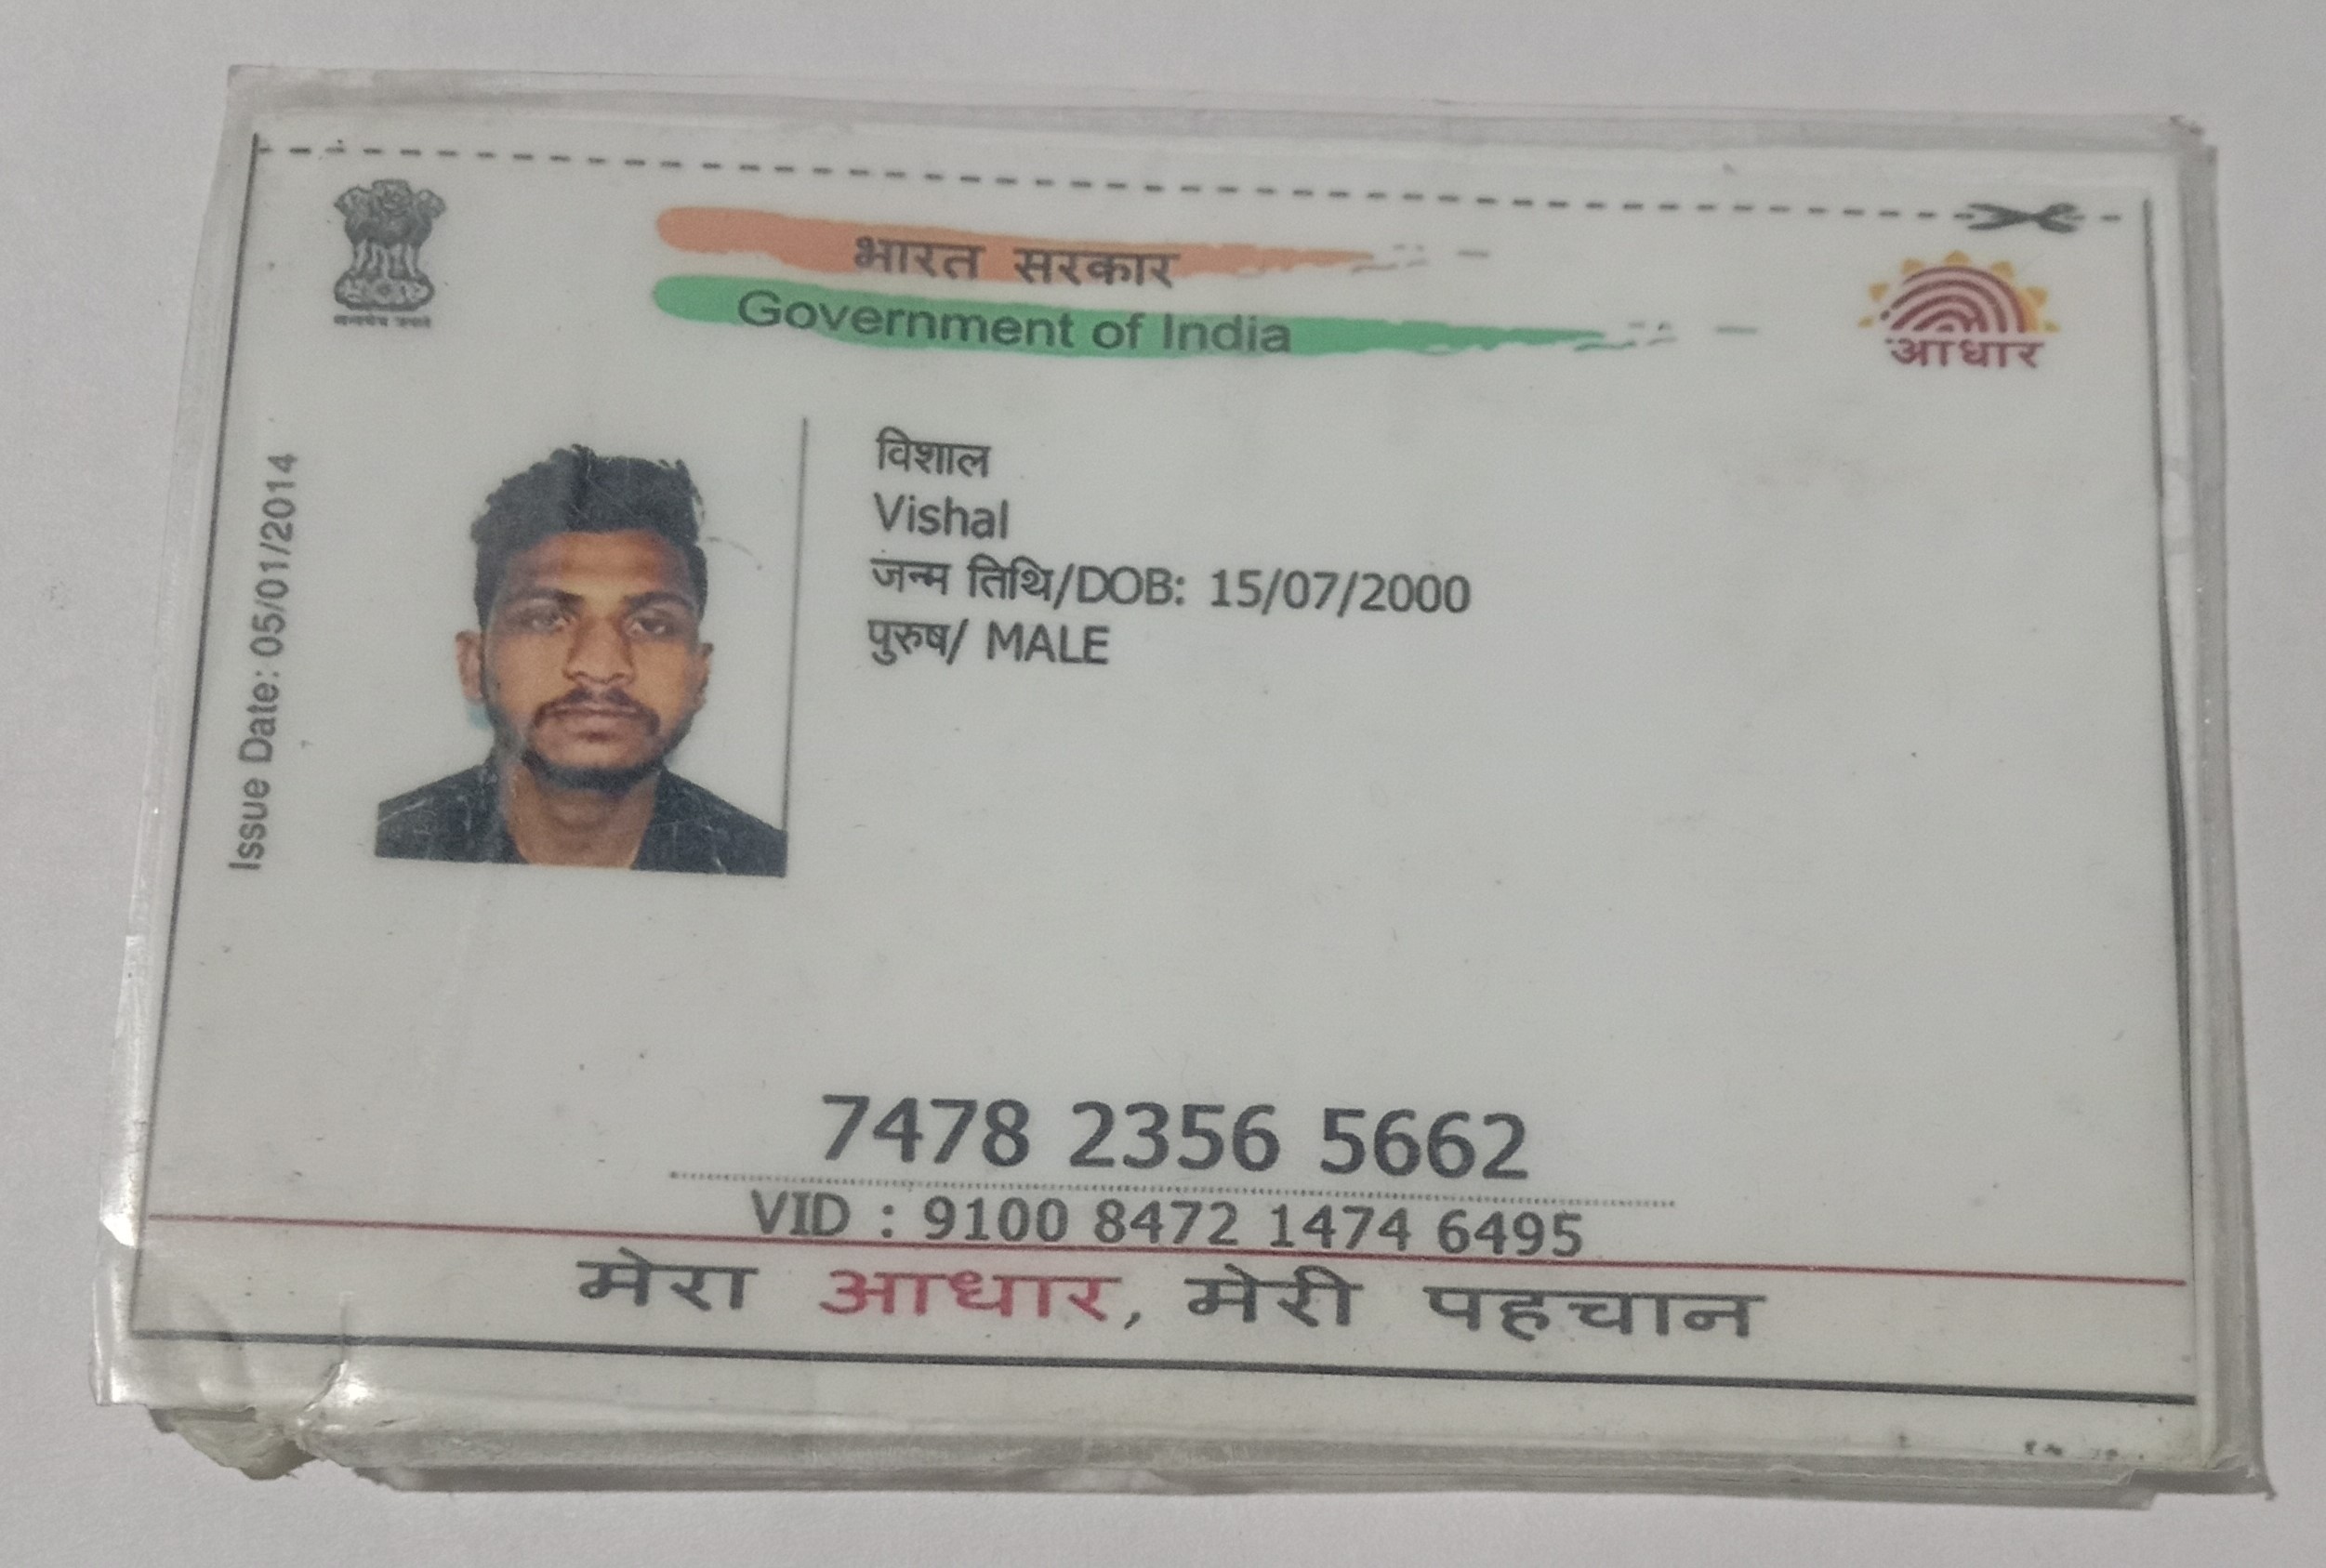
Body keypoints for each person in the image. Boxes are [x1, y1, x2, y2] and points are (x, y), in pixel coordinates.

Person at [376, 447, 786, 875]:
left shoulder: (761, 865)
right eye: (546, 619)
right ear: (473, 664)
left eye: (651, 625)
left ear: (700, 675)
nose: (599, 666)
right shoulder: (388, 849)